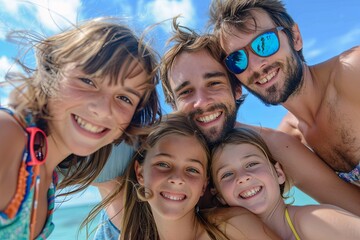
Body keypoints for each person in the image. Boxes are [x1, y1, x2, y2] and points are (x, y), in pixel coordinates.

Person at [92, 18, 360, 239]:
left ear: (237, 88)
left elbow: (351, 208)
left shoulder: (272, 145)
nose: (202, 102)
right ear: (173, 103)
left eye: (214, 84)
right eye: (186, 92)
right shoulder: (145, 147)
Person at [0, 17, 160, 239]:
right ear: (54, 70)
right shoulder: (8, 136)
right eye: (88, 81)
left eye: (124, 97)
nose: (103, 109)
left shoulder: (46, 174)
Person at [209, 0, 360, 186]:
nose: (256, 65)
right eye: (237, 59)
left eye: (264, 42)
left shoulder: (353, 71)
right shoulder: (291, 140)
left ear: (295, 37)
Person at [119, 113, 279, 239]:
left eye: (192, 169)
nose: (177, 178)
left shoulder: (234, 227)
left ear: (204, 185)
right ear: (140, 173)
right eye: (163, 164)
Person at [211, 127, 360, 239]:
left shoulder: (312, 220)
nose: (243, 177)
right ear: (219, 195)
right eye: (227, 174)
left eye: (251, 164)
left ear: (279, 173)